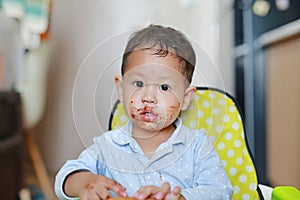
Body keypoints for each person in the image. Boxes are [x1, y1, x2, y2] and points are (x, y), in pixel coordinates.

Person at [55, 24, 233, 200]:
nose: (149, 97)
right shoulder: (107, 146)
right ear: (121, 89)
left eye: (164, 87)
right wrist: (85, 182)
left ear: (185, 98)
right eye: (138, 84)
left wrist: (181, 198)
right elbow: (65, 177)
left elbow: (221, 191)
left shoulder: (197, 146)